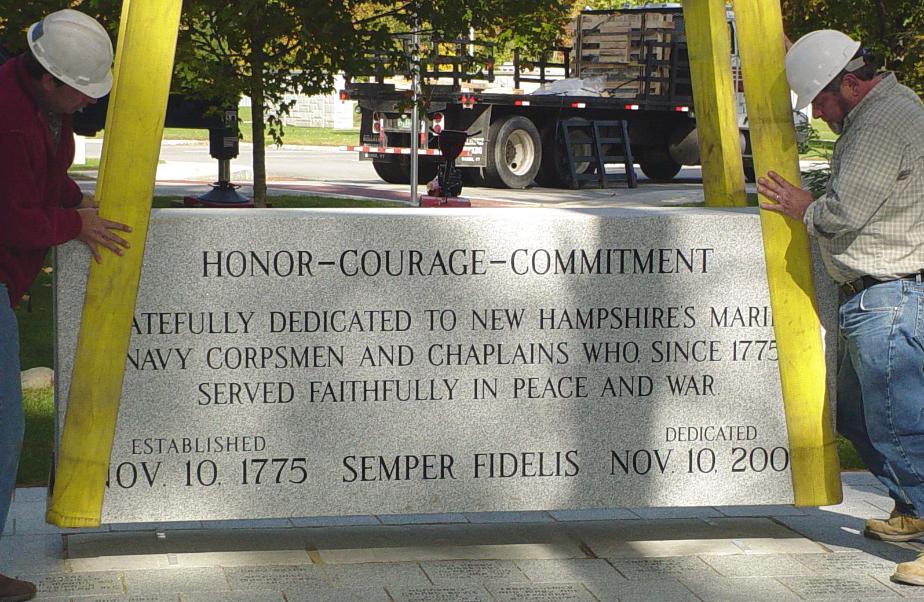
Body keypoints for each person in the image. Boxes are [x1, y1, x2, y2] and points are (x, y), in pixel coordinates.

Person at [757, 30, 924, 585]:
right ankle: (912, 507)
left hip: (888, 295)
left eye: (822, 101)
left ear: (849, 84)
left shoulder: (879, 123)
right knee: (858, 417)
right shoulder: (883, 113)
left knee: (900, 425)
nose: (821, 115)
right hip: (877, 295)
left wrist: (805, 204)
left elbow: (842, 213)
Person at [0, 9, 131, 601]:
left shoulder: (41, 111)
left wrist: (82, 204)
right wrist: (71, 225)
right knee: (4, 430)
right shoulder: (7, 119)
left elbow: (44, 184)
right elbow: (11, 218)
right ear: (47, 77)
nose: (87, 102)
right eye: (82, 90)